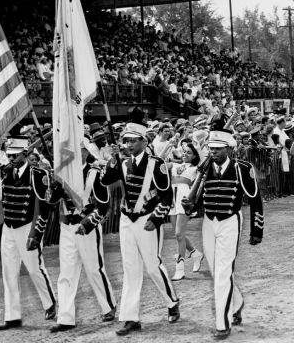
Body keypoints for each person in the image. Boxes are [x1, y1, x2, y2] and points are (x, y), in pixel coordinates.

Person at [182, 123, 264, 340]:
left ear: (228, 148)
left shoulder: (242, 168)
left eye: (218, 147)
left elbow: (255, 199)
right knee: (216, 270)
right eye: (211, 147)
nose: (214, 151)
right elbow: (202, 193)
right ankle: (237, 303)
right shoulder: (206, 167)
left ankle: (223, 322)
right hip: (209, 222)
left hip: (230, 221)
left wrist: (257, 230)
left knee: (223, 272)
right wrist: (192, 206)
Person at [101, 122, 180, 336]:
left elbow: (166, 195)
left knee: (153, 266)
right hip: (127, 219)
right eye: (126, 140)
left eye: (133, 140)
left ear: (144, 142)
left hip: (147, 219)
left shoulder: (156, 164)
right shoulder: (123, 164)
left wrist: (156, 218)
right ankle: (130, 318)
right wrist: (112, 160)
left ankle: (172, 302)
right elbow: (106, 179)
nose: (129, 144)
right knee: (130, 268)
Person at [49, 145, 116, 333]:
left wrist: (87, 224)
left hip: (86, 226)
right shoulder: (63, 173)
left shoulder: (94, 173)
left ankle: (108, 306)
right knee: (66, 273)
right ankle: (66, 317)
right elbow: (51, 200)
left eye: (79, 150)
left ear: (86, 152)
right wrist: (56, 187)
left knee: (94, 269)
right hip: (67, 227)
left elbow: (103, 205)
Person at [0, 136, 56, 331]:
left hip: (26, 227)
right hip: (9, 227)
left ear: (25, 153)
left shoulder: (37, 175)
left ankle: (50, 304)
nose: (12, 158)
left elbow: (43, 207)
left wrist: (36, 233)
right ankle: (12, 316)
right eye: (9, 155)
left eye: (15, 155)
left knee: (34, 269)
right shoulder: (5, 172)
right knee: (9, 272)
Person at [168, 143, 204, 281]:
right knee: (178, 234)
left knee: (178, 233)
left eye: (189, 152)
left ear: (195, 155)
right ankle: (195, 254)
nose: (185, 154)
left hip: (184, 199)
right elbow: (158, 161)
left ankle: (180, 269)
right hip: (172, 199)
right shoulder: (174, 166)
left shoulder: (196, 169)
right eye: (184, 152)